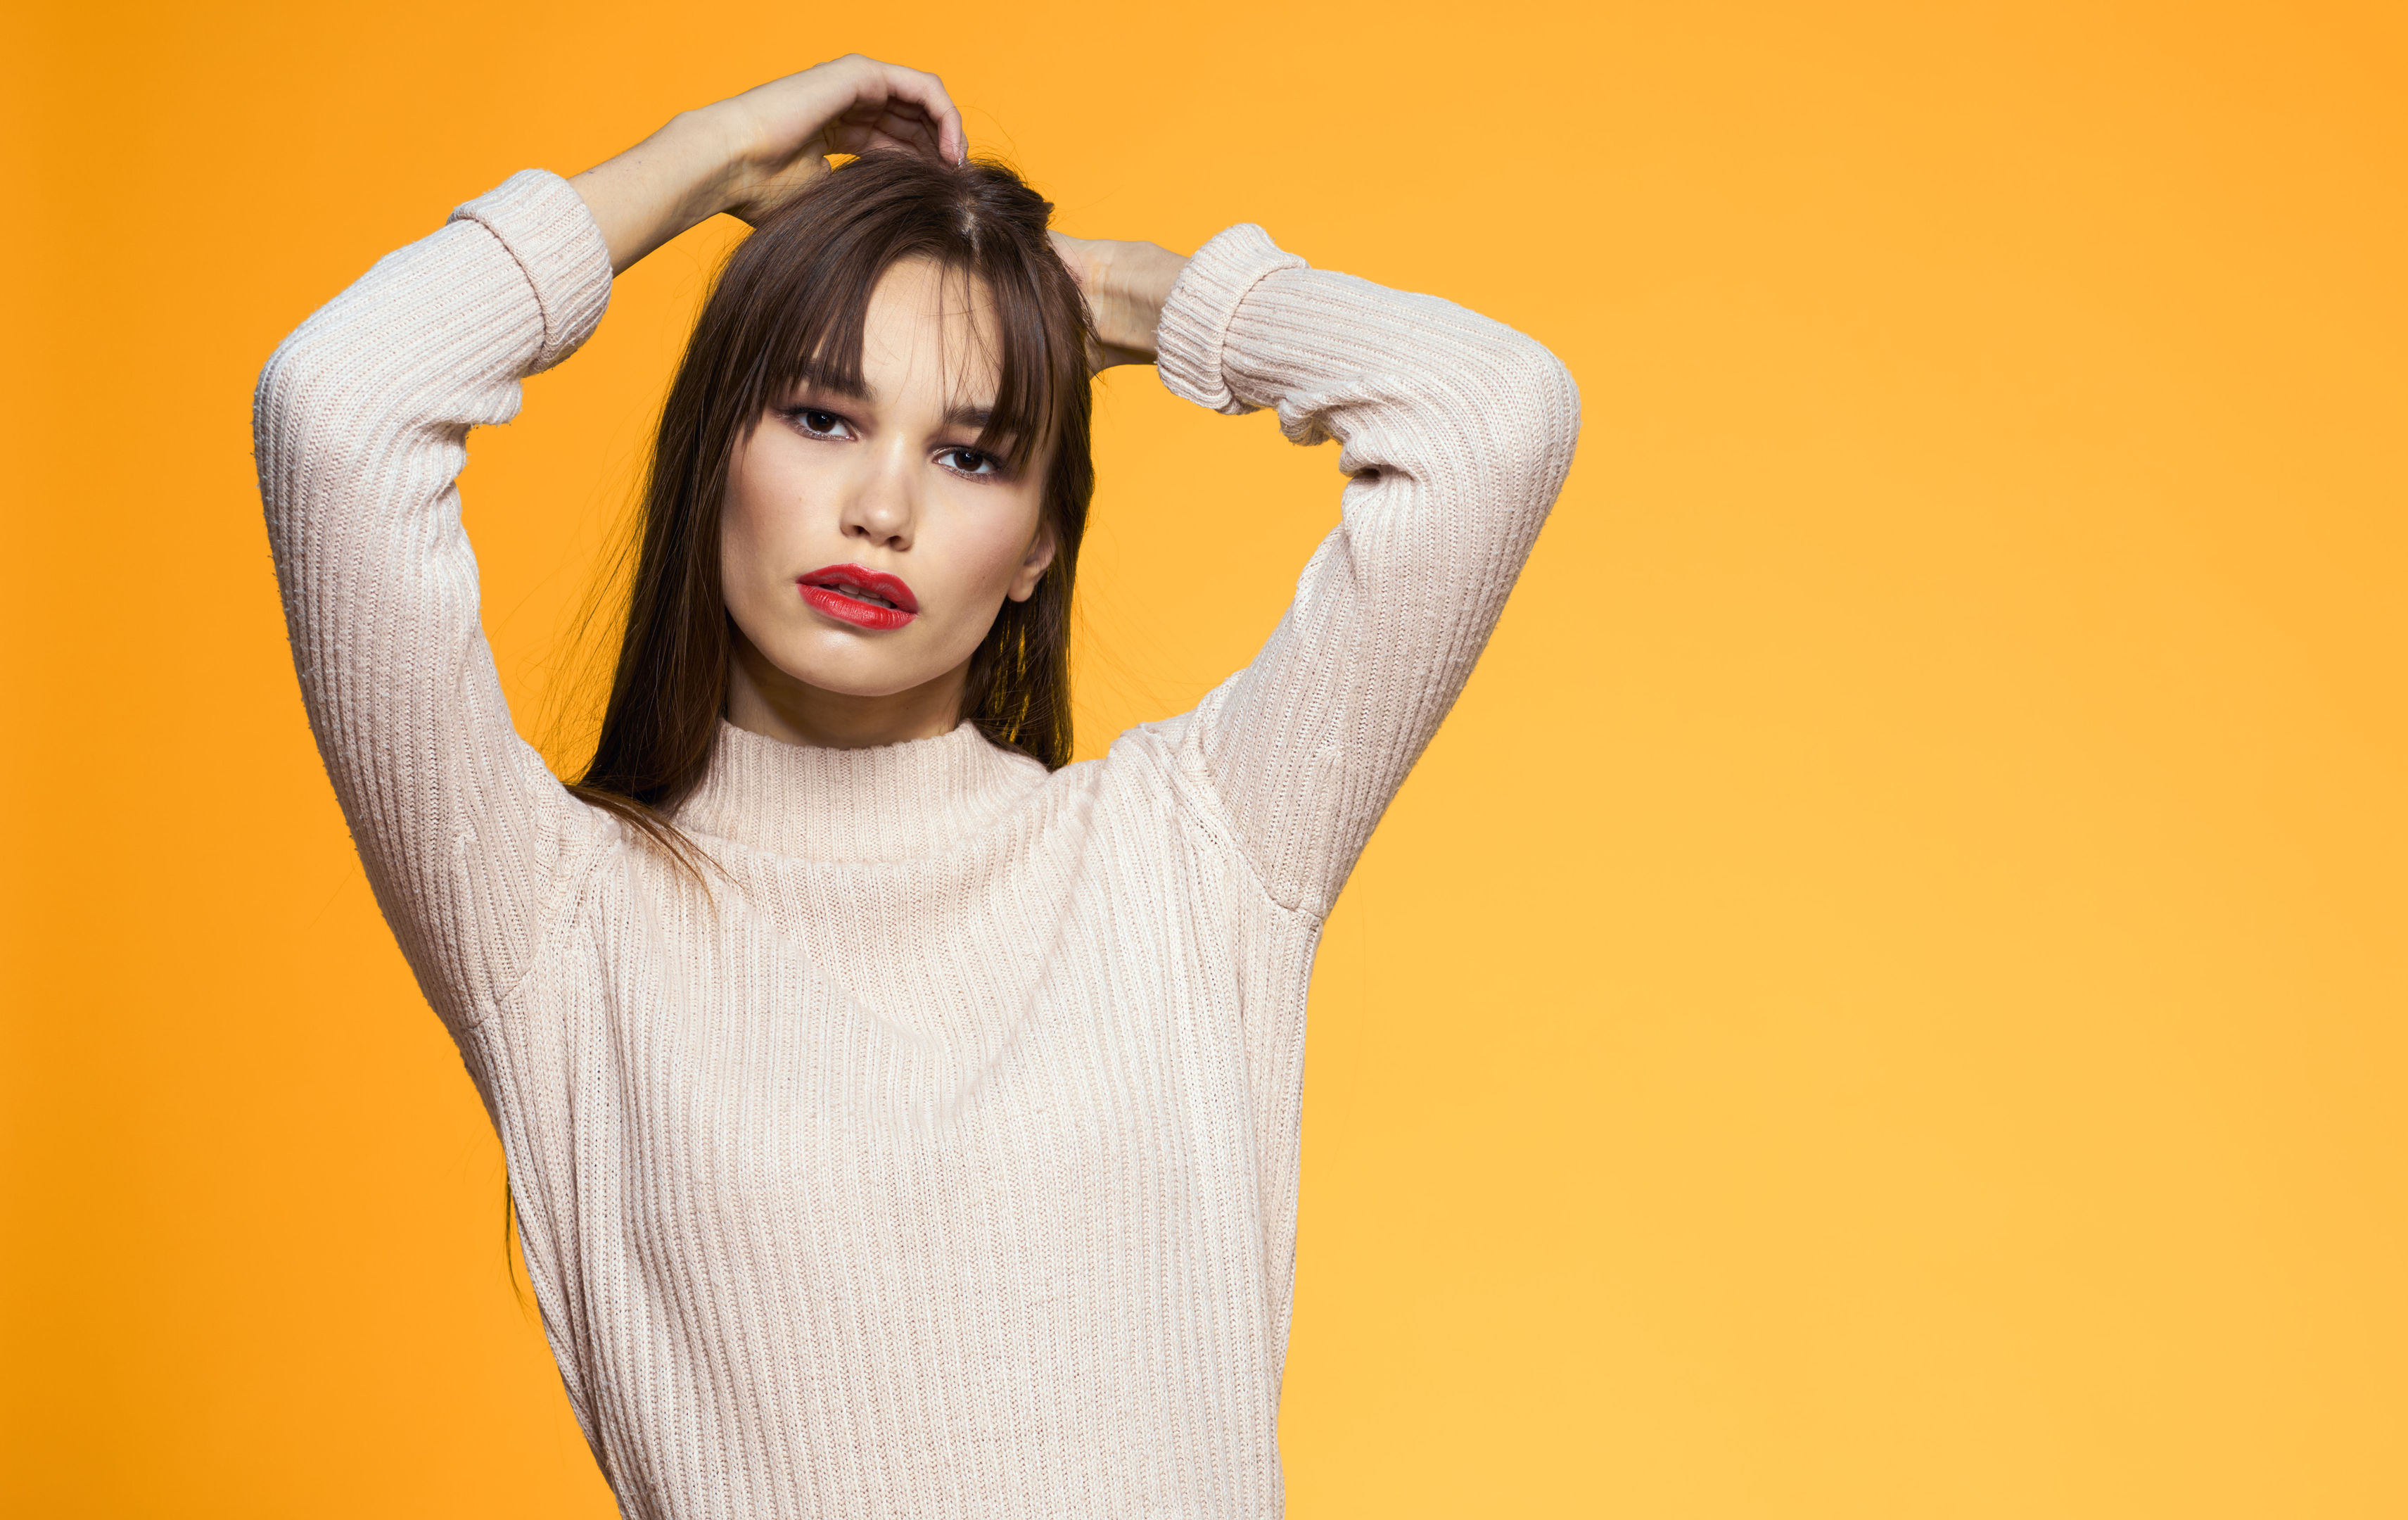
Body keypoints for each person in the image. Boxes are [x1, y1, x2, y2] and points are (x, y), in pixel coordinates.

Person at [253, 53, 1579, 1518]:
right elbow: (338, 408)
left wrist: (1114, 297)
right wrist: (709, 159)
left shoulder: (1187, 855)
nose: (881, 509)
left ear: (1036, 551)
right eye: (821, 418)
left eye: (970, 451)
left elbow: (1492, 416)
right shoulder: (558, 921)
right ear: (717, 461)